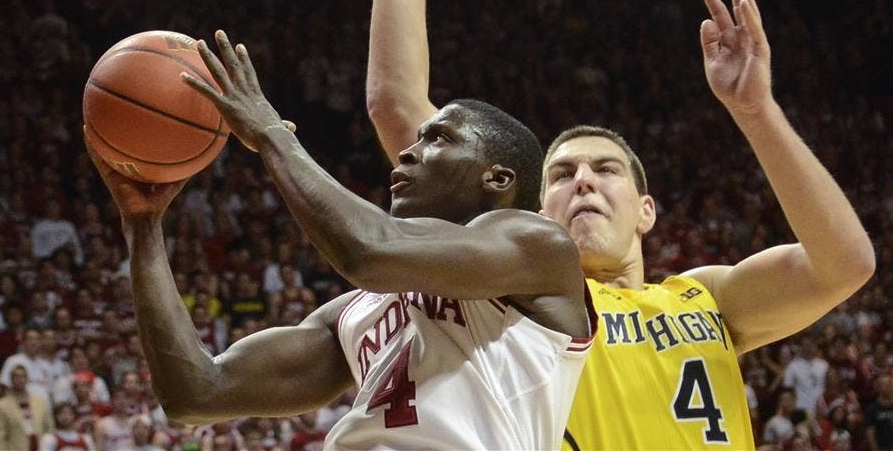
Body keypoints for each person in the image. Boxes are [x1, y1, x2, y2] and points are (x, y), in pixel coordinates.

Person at [363, 0, 876, 450]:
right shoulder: (517, 291)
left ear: (646, 210)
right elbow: (397, 106)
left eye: (605, 169)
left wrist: (757, 111)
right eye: (560, 174)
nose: (582, 180)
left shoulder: (707, 299)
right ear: (534, 214)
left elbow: (845, 264)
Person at [85, 28, 593, 450]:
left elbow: (370, 250)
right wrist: (143, 228)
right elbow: (196, 393)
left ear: (498, 179)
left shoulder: (537, 245)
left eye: (438, 138)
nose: (409, 152)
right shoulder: (357, 311)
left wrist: (272, 134)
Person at [0, 364, 54, 451]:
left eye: (23, 376)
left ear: (27, 379)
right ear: (11, 379)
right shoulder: (1, 405)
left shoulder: (39, 403)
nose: (20, 380)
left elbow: (49, 429)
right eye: (17, 377)